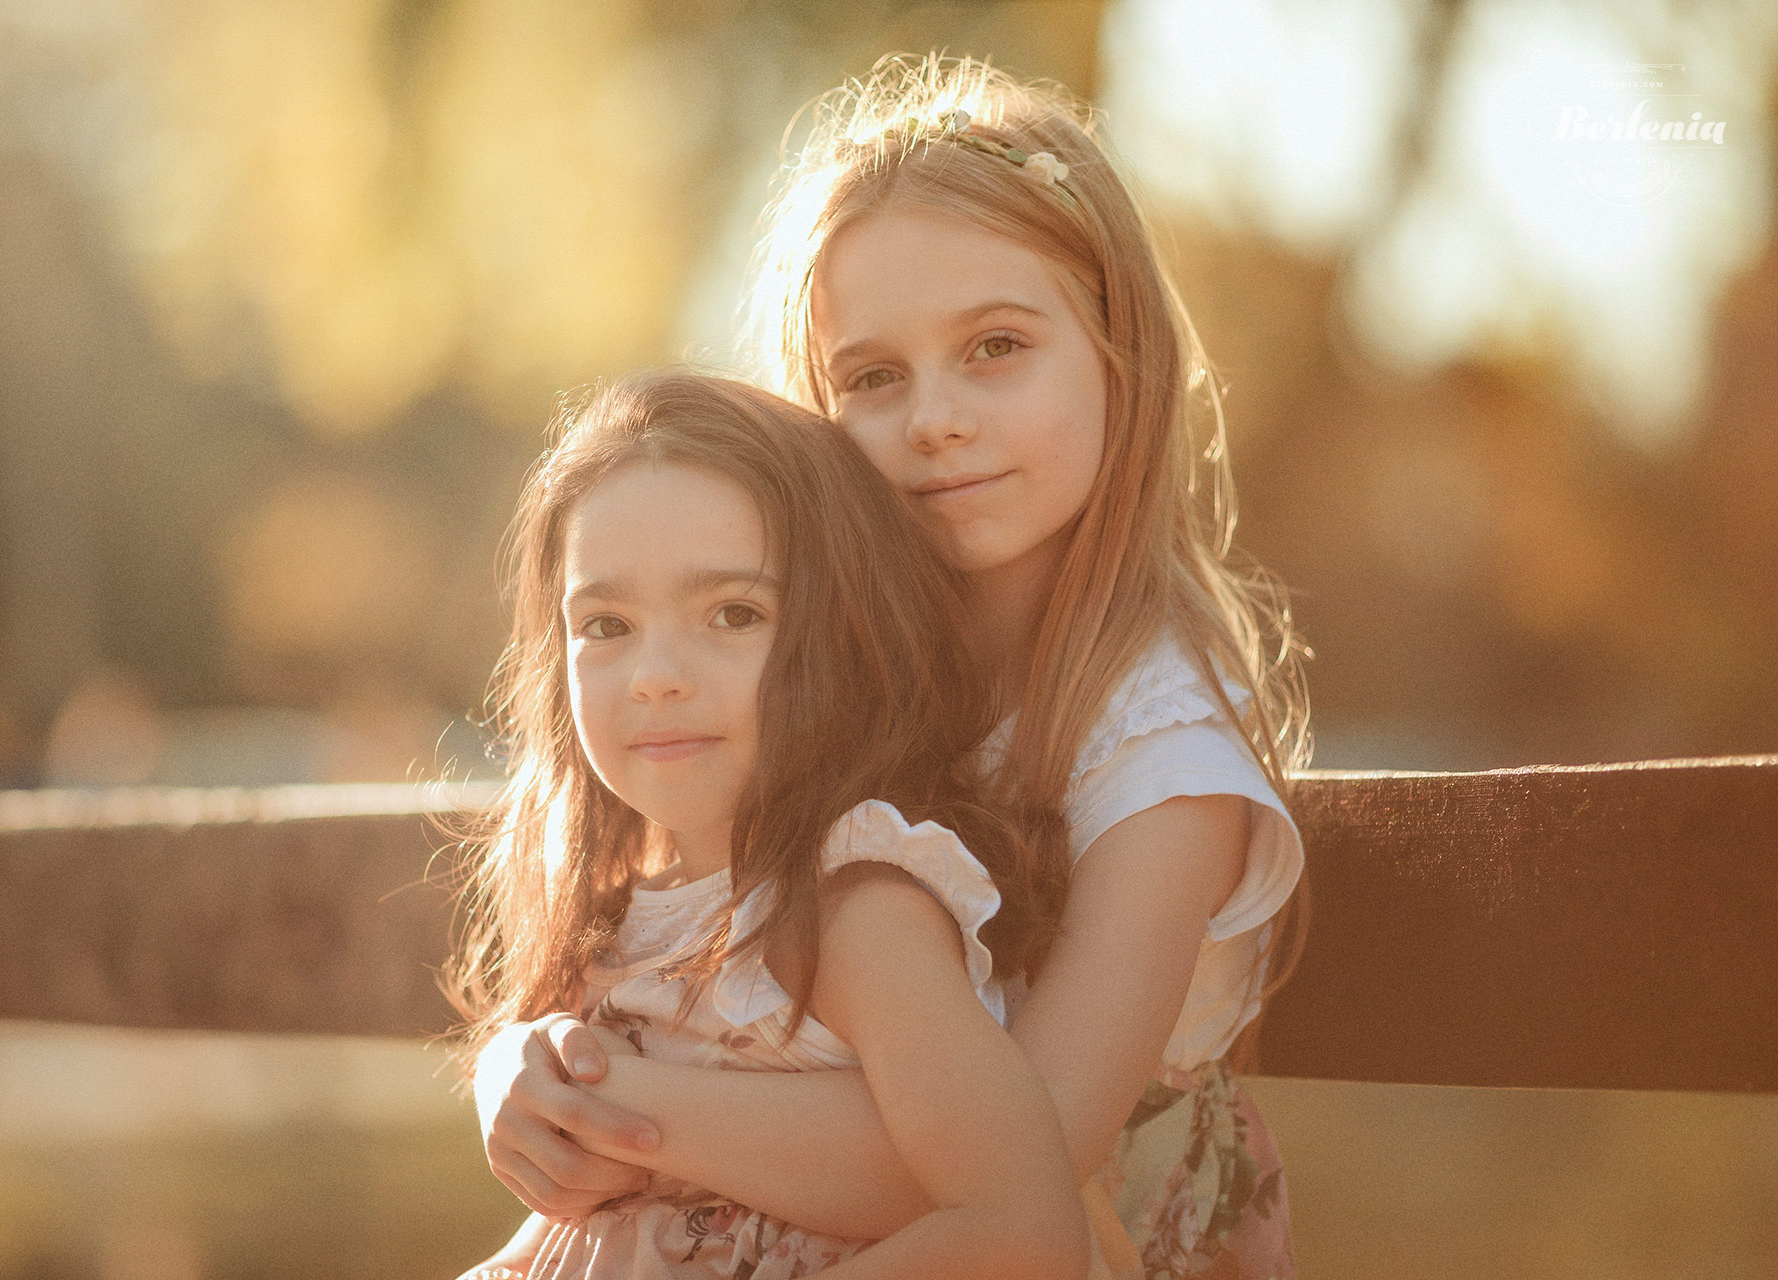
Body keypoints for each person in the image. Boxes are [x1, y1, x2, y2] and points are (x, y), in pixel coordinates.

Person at [470, 54, 1311, 1279]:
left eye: (996, 347)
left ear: (1121, 356)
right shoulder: (816, 674)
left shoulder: (1162, 753)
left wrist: (617, 1108)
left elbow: (1024, 1167)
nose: (935, 418)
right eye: (872, 376)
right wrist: (525, 1065)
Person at [446, 370, 1091, 1279]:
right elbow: (585, 1234)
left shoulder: (853, 912)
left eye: (734, 613)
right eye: (606, 624)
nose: (655, 675)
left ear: (847, 635)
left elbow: (1024, 1229)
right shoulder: (609, 920)